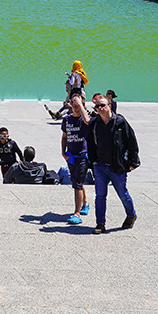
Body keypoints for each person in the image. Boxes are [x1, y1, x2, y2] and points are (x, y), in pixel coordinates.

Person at [85, 93, 140, 233]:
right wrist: (93, 161)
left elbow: (131, 141)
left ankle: (131, 215)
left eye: (102, 105)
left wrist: (134, 162)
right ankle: (100, 224)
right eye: (97, 106)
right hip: (100, 166)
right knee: (100, 196)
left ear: (109, 106)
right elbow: (90, 143)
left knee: (122, 194)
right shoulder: (94, 124)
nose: (100, 108)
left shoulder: (120, 122)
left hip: (117, 165)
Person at [59, 95, 91, 225]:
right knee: (77, 181)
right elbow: (64, 137)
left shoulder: (85, 119)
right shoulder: (67, 120)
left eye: (78, 106)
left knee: (77, 183)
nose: (76, 108)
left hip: (83, 155)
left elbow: (88, 120)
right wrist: (63, 152)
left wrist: (81, 105)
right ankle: (85, 203)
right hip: (71, 156)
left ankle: (77, 213)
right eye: (74, 106)